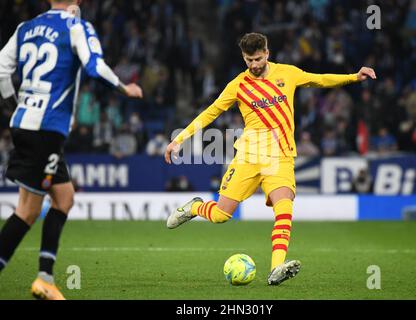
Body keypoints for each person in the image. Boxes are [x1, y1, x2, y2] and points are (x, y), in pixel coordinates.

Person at [165, 33, 376, 285]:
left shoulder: (288, 73)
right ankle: (194, 207)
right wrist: (180, 138)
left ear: (267, 53)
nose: (253, 64)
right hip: (248, 156)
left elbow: (320, 80)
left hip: (281, 156)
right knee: (221, 215)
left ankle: (277, 268)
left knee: (284, 207)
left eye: (257, 58)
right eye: (248, 60)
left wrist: (354, 76)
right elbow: (210, 112)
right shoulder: (238, 85)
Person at [0, 0, 143, 300]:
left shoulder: (25, 28)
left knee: (64, 198)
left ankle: (45, 278)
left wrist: (16, 107)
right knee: (27, 211)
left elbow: (1, 71)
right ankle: (43, 281)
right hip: (46, 128)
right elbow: (94, 66)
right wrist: (124, 88)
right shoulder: (76, 26)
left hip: (26, 123)